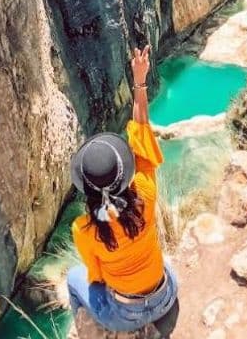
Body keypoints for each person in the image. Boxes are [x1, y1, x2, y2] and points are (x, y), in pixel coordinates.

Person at [66, 45, 179, 335]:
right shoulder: (145, 191)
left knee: (73, 280)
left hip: (125, 314)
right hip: (166, 294)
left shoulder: (85, 230)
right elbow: (141, 127)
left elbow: (96, 277)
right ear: (124, 174)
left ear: (87, 190)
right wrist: (140, 79)